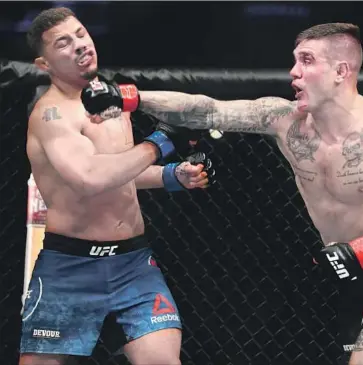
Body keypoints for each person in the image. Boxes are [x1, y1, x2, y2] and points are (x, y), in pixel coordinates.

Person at [83, 23, 363, 365]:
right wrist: (129, 96)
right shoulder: (284, 121)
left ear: (342, 71)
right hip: (339, 271)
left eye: (307, 61)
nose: (294, 72)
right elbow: (207, 109)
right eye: (294, 61)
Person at [21, 7, 216, 365]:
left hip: (134, 264)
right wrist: (160, 142)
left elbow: (118, 171)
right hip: (70, 268)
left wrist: (171, 175)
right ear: (43, 64)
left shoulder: (112, 102)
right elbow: (90, 178)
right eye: (63, 43)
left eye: (81, 34)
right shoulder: (52, 115)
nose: (79, 45)